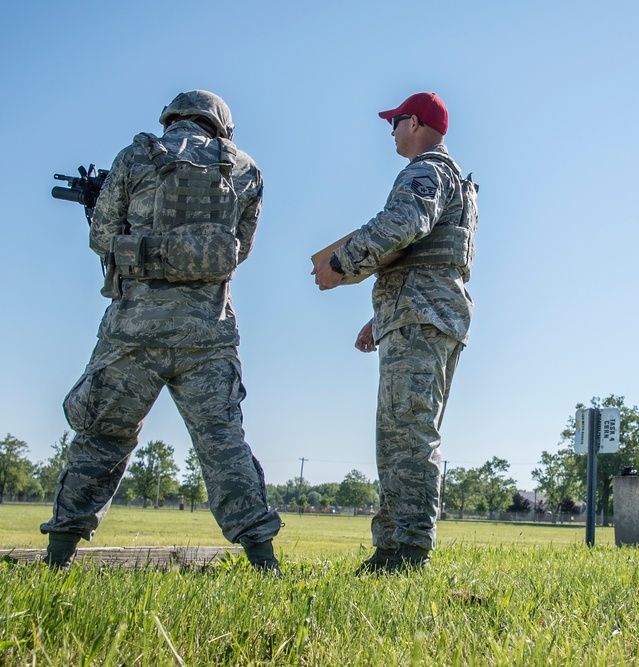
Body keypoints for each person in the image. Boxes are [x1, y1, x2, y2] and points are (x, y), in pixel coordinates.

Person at [40, 90, 282, 571]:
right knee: (223, 444)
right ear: (222, 127)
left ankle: (58, 558)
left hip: (132, 333)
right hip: (208, 335)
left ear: (172, 118)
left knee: (102, 439)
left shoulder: (135, 156)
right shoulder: (246, 169)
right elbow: (243, 249)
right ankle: (263, 563)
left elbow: (103, 237)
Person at [313, 92, 476, 574]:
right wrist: (380, 317)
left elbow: (404, 223)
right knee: (400, 434)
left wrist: (340, 264)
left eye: (395, 122)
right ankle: (393, 549)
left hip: (422, 316)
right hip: (423, 312)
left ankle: (406, 553)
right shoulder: (451, 178)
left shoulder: (426, 170)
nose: (391, 131)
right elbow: (431, 254)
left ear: (416, 123)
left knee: (407, 436)